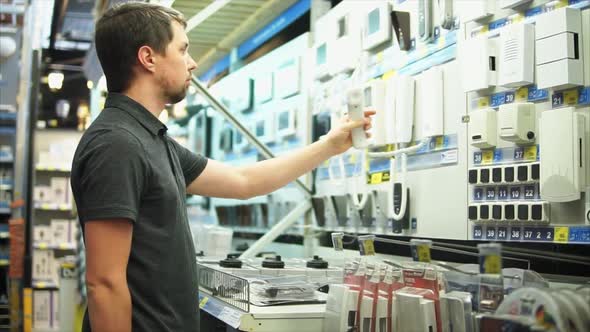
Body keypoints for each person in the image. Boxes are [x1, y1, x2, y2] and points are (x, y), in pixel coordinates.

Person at [71, 2, 374, 332]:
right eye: (183, 49)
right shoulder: (117, 144)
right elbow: (104, 283)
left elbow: (243, 181)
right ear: (148, 58)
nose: (193, 62)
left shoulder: (152, 140)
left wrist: (329, 145)